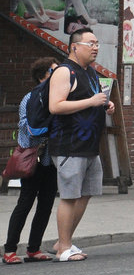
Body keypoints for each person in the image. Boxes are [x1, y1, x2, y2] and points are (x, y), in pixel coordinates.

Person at [46, 27, 114, 262]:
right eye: (90, 43)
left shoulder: (91, 73)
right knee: (69, 195)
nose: (95, 47)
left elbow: (93, 99)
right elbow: (55, 106)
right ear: (75, 47)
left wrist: (105, 104)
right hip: (69, 145)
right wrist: (91, 101)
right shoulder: (64, 72)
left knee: (86, 194)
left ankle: (63, 241)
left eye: (97, 43)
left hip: (90, 145)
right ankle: (64, 248)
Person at [3, 57, 60, 265]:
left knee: (46, 205)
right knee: (25, 203)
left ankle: (34, 249)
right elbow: (27, 132)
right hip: (33, 160)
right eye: (53, 72)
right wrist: (47, 130)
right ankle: (9, 250)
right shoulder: (31, 98)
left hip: (50, 161)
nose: (57, 76)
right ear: (41, 77)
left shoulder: (57, 98)